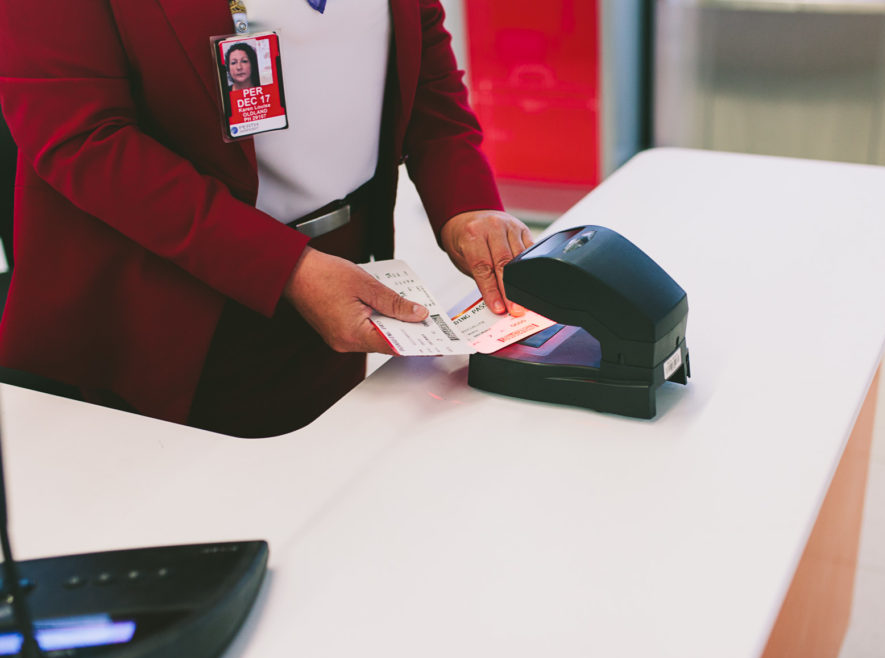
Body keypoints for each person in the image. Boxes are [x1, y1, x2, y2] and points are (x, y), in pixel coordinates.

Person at [0, 1, 532, 437]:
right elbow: (84, 141)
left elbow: (428, 86)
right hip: (151, 318)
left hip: (338, 284)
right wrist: (288, 269)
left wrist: (467, 207)